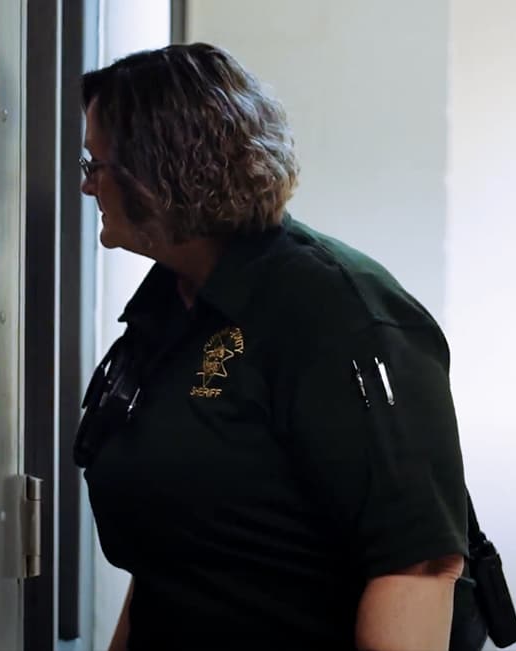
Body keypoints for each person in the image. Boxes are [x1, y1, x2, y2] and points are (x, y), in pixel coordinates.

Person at [76, 43, 482, 651]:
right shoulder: (169, 304)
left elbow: (419, 566)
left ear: (158, 174)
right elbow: (175, 550)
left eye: (95, 165)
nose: (87, 187)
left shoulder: (337, 312)